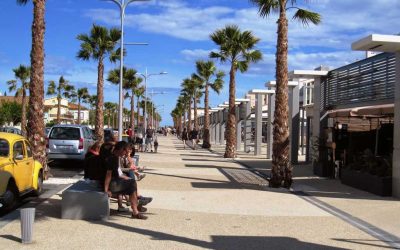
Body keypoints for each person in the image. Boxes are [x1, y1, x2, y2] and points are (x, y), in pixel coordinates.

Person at [103, 141, 147, 219]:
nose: (126, 153)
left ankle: (135, 210)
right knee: (132, 183)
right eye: (125, 151)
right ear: (121, 149)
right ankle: (135, 210)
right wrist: (106, 190)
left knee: (131, 183)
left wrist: (125, 177)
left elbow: (119, 173)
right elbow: (108, 175)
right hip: (111, 183)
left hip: (115, 181)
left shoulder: (116, 157)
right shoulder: (112, 158)